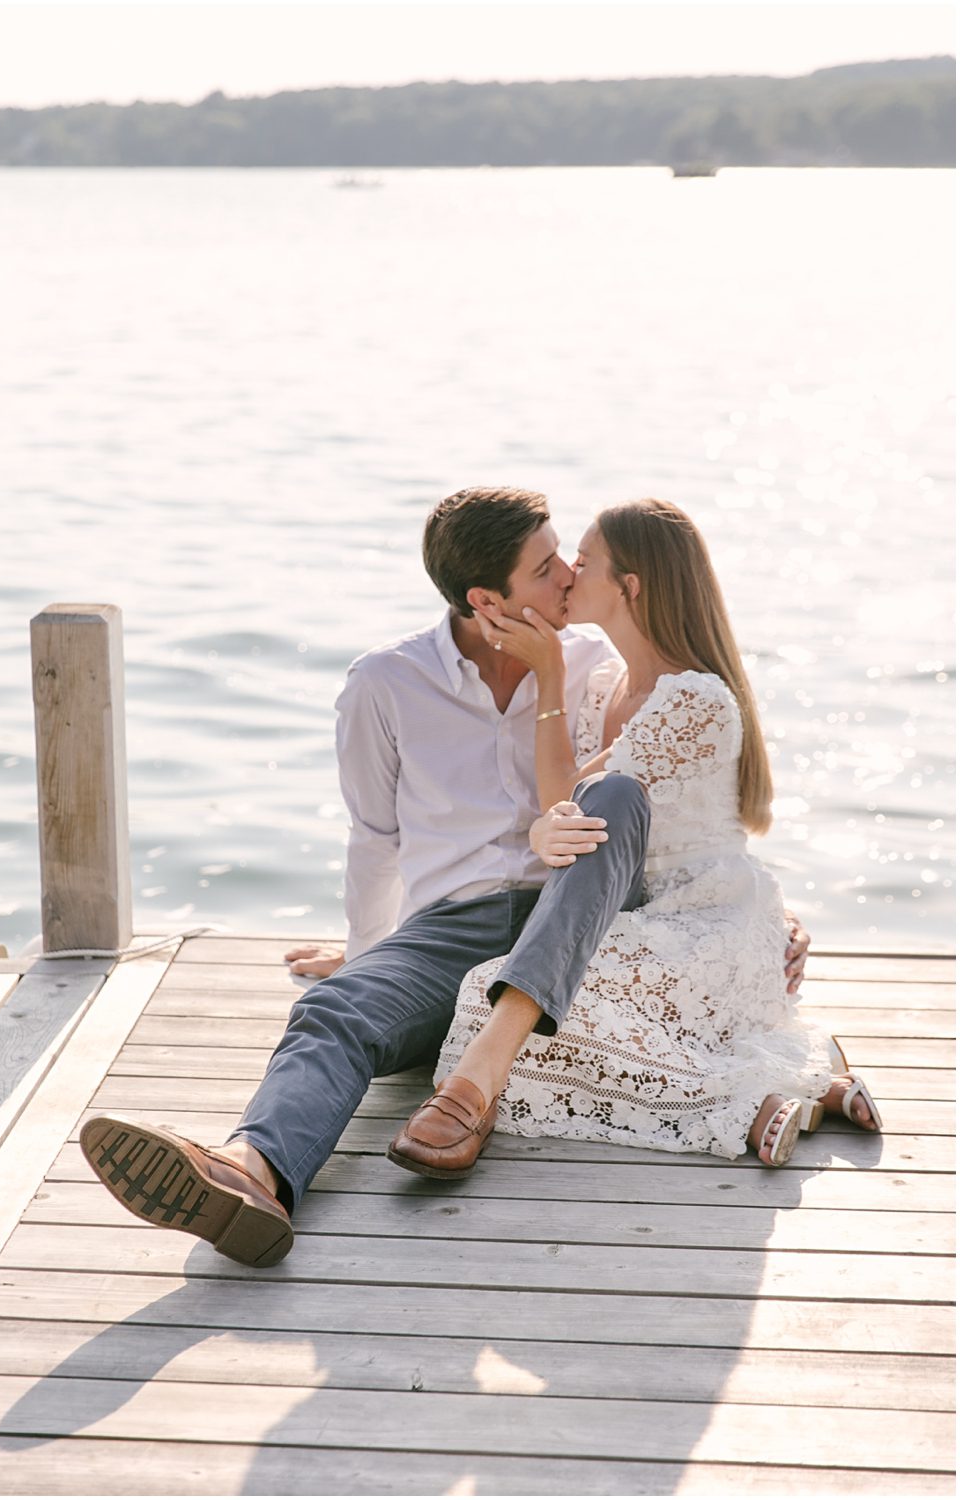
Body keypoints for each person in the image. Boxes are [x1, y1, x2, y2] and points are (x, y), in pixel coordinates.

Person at [77, 485, 813, 1268]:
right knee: (334, 1011)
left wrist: (765, 918)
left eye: (570, 558)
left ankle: (474, 1087)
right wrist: (368, 950)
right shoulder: (385, 683)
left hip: (586, 914)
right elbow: (375, 839)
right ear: (487, 599)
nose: (567, 575)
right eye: (545, 568)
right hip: (449, 924)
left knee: (612, 800)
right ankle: (250, 1174)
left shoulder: (596, 659)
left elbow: (682, 809)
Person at [390, 497, 881, 1176]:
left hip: (708, 923)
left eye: (583, 563)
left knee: (507, 1006)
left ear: (631, 587)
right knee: (485, 992)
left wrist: (548, 672)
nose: (566, 573)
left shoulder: (695, 700)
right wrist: (556, 685)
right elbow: (567, 810)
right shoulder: (605, 688)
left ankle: (746, 1101)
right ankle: (790, 1086)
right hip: (637, 918)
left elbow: (576, 809)